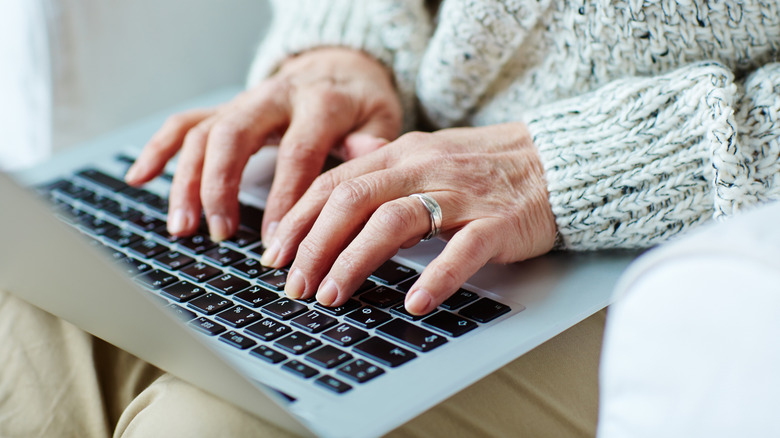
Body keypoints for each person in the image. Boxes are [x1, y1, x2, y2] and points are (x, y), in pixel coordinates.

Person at [2, 0, 779, 436]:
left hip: (682, 243)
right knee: (25, 306)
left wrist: (571, 164)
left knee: (215, 429)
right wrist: (345, 47)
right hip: (385, 151)